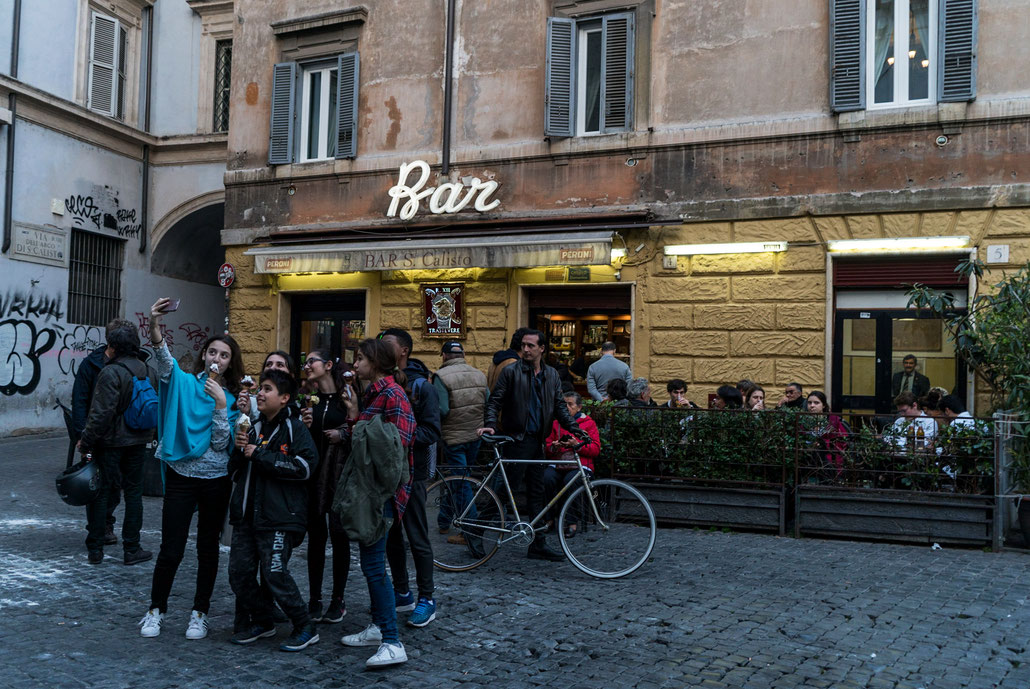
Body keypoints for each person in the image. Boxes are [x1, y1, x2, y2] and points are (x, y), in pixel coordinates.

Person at [138, 297, 243, 641]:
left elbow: (219, 445)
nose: (217, 359)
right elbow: (163, 359)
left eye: (224, 355)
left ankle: (200, 613)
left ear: (230, 364)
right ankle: (156, 609)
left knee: (207, 549)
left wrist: (220, 405)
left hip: (215, 481)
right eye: (213, 352)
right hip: (183, 478)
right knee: (172, 547)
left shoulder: (230, 398)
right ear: (204, 355)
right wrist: (154, 322)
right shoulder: (183, 383)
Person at [228, 369, 321, 652]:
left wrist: (259, 454)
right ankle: (264, 620)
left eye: (267, 389)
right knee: (239, 575)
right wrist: (239, 449)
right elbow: (234, 471)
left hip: (279, 516)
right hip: (247, 515)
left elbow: (305, 467)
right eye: (261, 388)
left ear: (284, 398)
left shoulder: (294, 427)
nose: (260, 393)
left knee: (275, 573)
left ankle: (305, 624)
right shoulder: (252, 425)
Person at [337, 338, 416, 667]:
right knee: (371, 565)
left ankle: (393, 641)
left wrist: (356, 418)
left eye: (360, 358)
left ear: (377, 361)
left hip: (381, 494)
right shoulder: (374, 393)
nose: (355, 364)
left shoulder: (391, 394)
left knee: (373, 566)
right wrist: (356, 414)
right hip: (371, 491)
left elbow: (392, 451)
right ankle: (378, 626)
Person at [478, 329, 587, 561]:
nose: (526, 350)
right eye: (524, 345)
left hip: (538, 440)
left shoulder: (551, 375)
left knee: (536, 494)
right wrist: (489, 424)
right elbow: (494, 402)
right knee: (507, 491)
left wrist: (576, 429)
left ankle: (538, 543)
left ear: (542, 349)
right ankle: (476, 531)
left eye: (531, 346)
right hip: (517, 439)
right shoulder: (511, 372)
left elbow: (559, 407)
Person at [77, 321, 156, 566]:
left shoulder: (110, 372)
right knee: (134, 494)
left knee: (101, 493)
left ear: (112, 345)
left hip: (110, 443)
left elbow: (101, 414)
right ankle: (132, 549)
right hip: (139, 441)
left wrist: (86, 441)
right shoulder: (147, 370)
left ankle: (96, 549)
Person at [379, 327, 441, 628]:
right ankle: (402, 592)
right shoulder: (382, 383)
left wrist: (400, 436)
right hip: (386, 472)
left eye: (387, 344)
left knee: (417, 537)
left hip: (413, 472)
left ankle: (427, 598)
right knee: (391, 536)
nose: (382, 348)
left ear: (403, 350)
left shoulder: (422, 387)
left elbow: (432, 431)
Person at [71, 318, 137, 548]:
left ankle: (105, 523)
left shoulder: (130, 364)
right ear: (112, 342)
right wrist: (82, 435)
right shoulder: (91, 365)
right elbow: (79, 401)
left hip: (119, 439)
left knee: (114, 485)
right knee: (95, 484)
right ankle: (98, 529)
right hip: (95, 435)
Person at [299, 349, 351, 626]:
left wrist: (342, 434)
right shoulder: (308, 399)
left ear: (329, 365)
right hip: (313, 478)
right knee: (316, 539)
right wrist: (304, 426)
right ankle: (315, 598)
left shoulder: (347, 397)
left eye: (312, 362)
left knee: (339, 536)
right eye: (305, 362)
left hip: (339, 478)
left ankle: (338, 599)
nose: (307, 366)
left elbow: (359, 426)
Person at [431, 341, 488, 544]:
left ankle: (471, 530)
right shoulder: (478, 374)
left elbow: (442, 410)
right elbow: (487, 402)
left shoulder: (440, 377)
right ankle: (444, 520)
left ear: (444, 356)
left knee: (461, 480)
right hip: (475, 435)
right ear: (462, 354)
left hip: (454, 437)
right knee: (461, 478)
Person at [542, 392, 601, 537]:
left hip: (580, 465)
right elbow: (547, 448)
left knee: (571, 481)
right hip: (559, 463)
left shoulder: (588, 423)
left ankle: (571, 522)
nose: (567, 407)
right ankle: (548, 519)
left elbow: (595, 449)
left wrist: (578, 445)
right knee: (546, 479)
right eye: (564, 404)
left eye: (570, 404)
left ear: (579, 407)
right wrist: (553, 447)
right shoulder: (556, 423)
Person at [237, 351, 298, 421]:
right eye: (269, 364)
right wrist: (245, 414)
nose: (272, 368)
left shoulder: (299, 408)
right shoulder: (252, 402)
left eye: (280, 365)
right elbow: (241, 431)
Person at [805, 391, 849, 471]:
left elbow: (842, 439)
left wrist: (824, 443)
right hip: (807, 456)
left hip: (828, 457)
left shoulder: (833, 419)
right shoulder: (803, 420)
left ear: (823, 405)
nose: (812, 406)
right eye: (809, 403)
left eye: (816, 403)